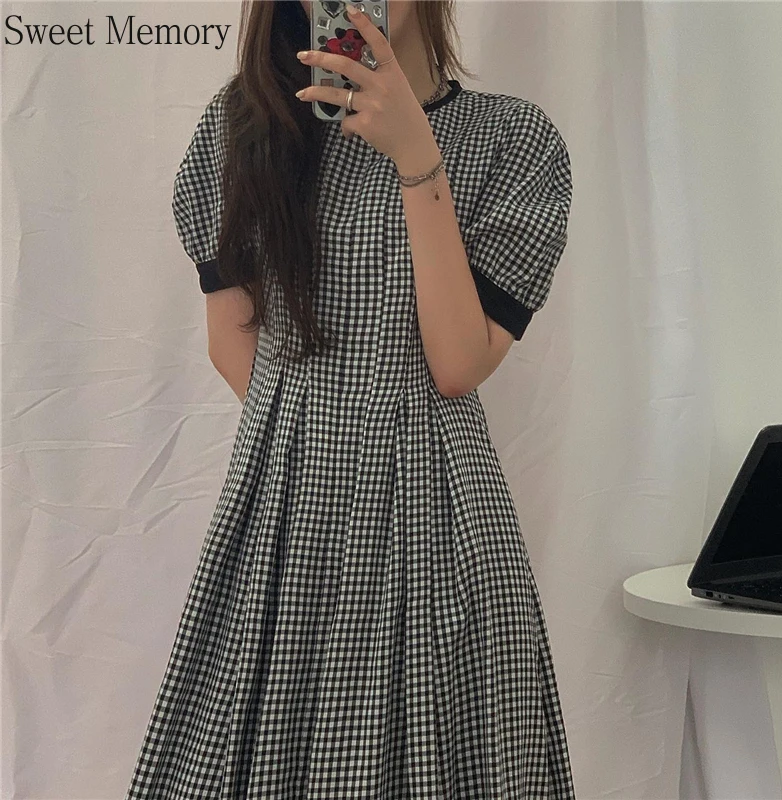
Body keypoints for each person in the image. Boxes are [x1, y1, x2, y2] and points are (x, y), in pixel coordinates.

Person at [126, 1, 575, 797]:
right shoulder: (245, 130)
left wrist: (417, 156)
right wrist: (323, 441)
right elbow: (231, 341)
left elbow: (457, 365)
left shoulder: (512, 139)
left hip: (441, 521)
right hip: (283, 520)